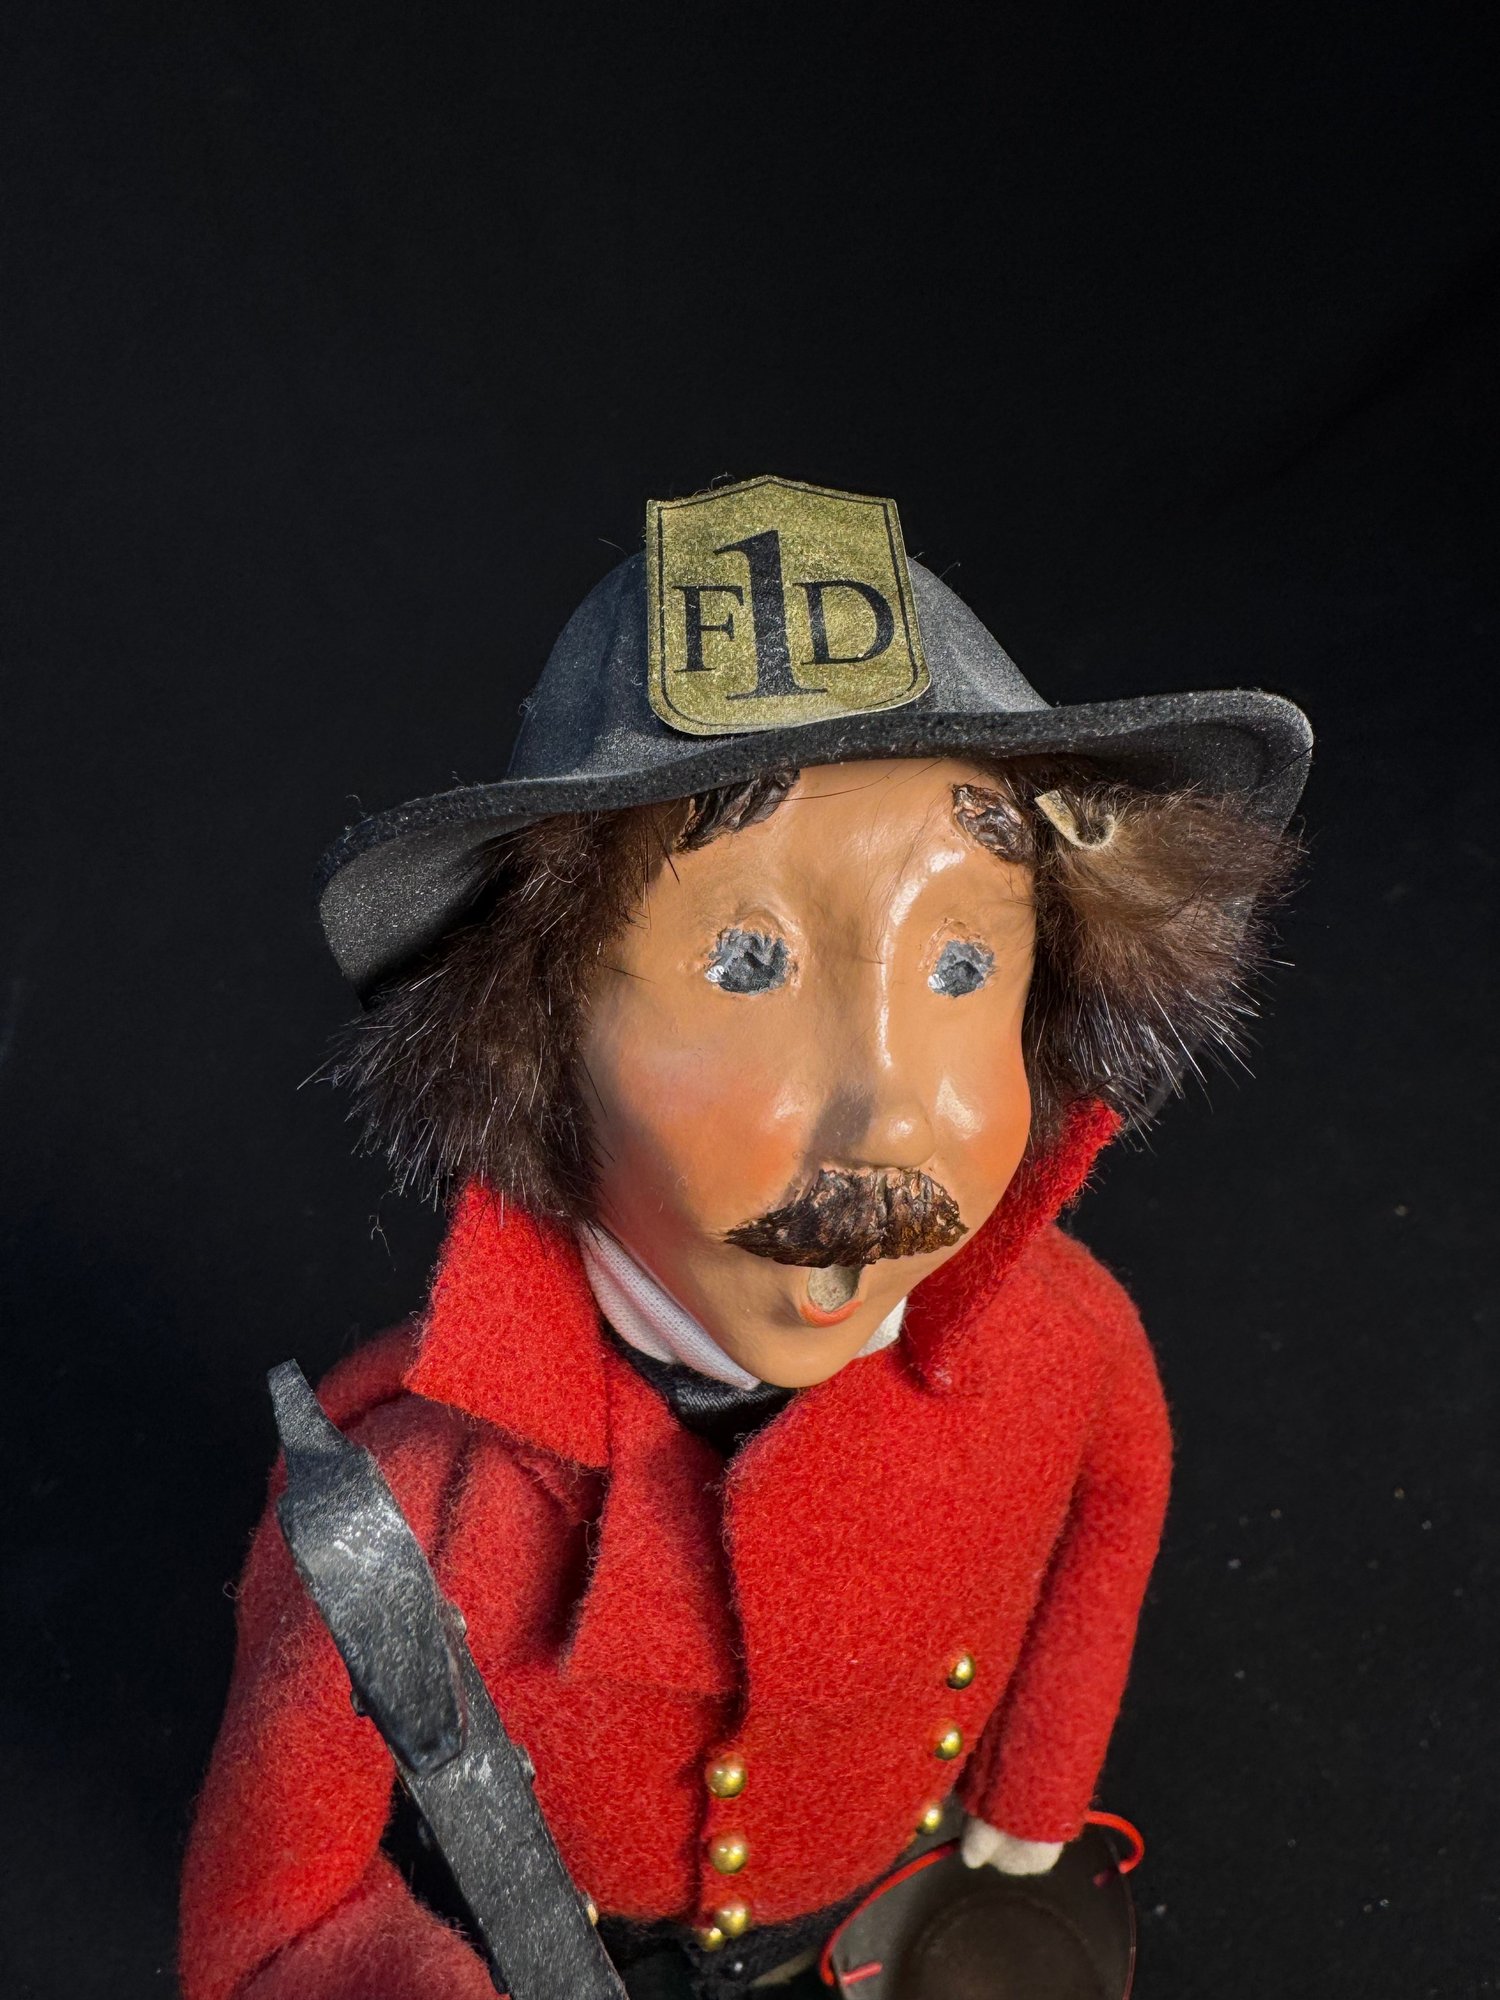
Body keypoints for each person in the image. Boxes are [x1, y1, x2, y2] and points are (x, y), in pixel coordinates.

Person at [180, 477, 1309, 1999]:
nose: (890, 1110)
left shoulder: (1066, 1342)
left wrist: (1038, 1787)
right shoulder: (412, 1514)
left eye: (962, 966)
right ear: (533, 1036)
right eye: (745, 962)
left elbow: (1120, 1495)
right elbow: (273, 1924)